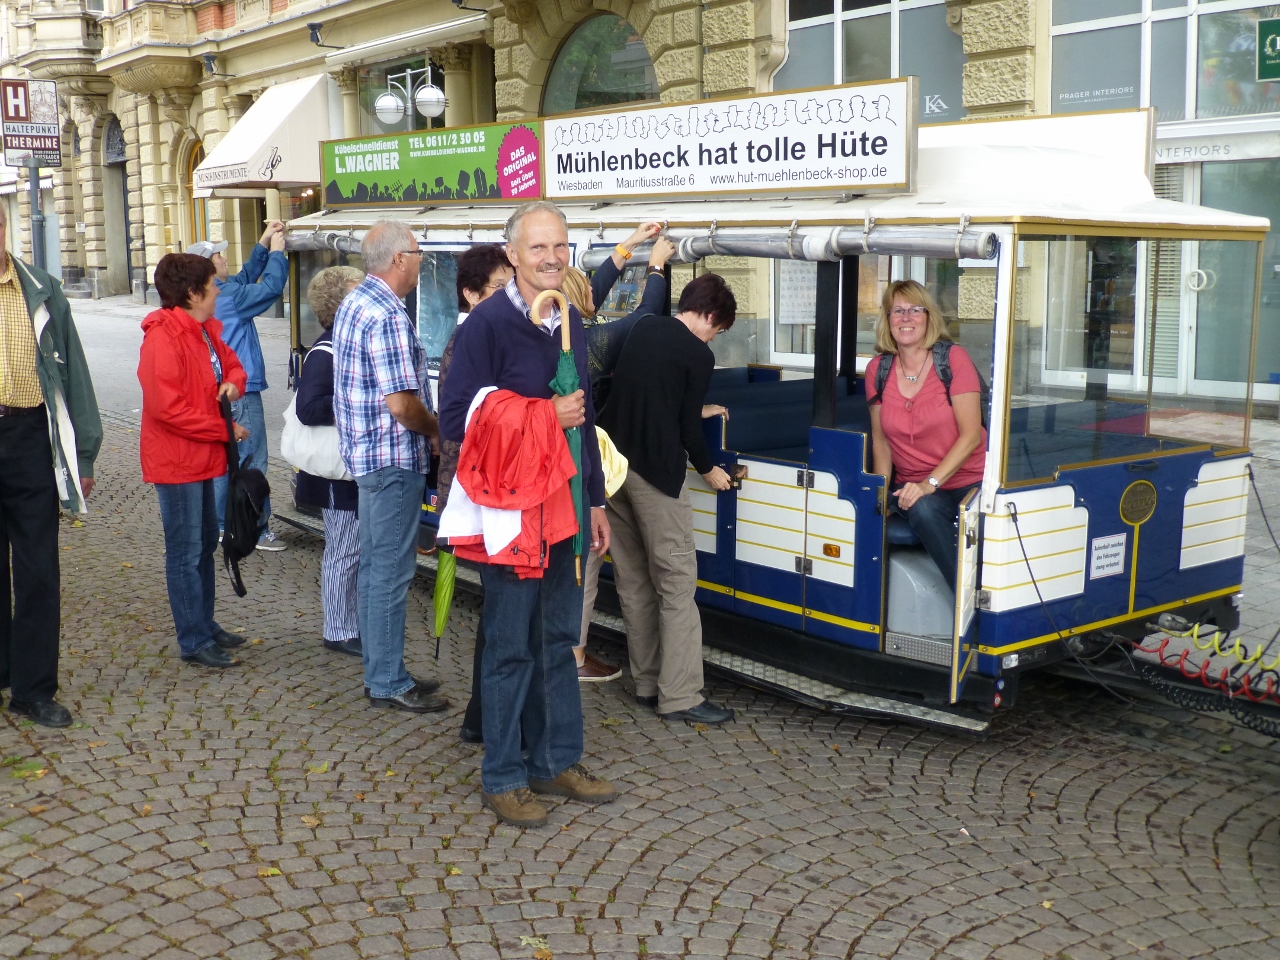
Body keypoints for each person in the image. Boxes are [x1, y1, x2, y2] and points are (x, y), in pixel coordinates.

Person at [441, 200, 617, 829]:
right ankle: (504, 775)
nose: (551, 259)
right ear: (511, 254)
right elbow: (456, 418)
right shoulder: (485, 326)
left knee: (557, 640)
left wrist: (594, 499)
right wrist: (543, 416)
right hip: (512, 512)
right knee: (510, 646)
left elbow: (585, 420)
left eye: (560, 247)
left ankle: (554, 760)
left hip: (565, 508)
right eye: (538, 248)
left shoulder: (568, 318)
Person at [597, 273, 738, 726]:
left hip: (614, 471)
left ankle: (646, 682)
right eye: (719, 328)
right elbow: (685, 430)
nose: (714, 336)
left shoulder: (644, 329)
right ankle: (680, 696)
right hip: (657, 476)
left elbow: (650, 396)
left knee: (634, 581)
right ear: (711, 317)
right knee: (677, 585)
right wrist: (709, 469)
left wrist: (701, 408)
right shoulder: (698, 354)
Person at [332, 220, 447, 714]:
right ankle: (385, 680)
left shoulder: (358, 301)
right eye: (419, 253)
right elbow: (402, 405)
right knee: (389, 572)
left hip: (370, 456)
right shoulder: (385, 313)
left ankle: (385, 669)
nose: (421, 262)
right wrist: (437, 429)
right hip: (392, 458)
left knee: (380, 568)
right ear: (399, 259)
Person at [0, 205, 102, 728]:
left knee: (39, 568)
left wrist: (83, 452)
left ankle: (33, 689)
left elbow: (75, 372)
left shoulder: (40, 289)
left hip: (29, 438)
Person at [138, 253, 251, 671]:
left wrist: (232, 388)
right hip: (178, 461)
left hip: (202, 457)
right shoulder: (163, 338)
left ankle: (203, 623)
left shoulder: (203, 332)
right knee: (186, 552)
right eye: (212, 283)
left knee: (204, 545)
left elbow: (234, 368)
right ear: (192, 292)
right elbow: (168, 409)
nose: (218, 289)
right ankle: (194, 637)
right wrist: (225, 431)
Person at [867, 279, 986, 590]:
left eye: (915, 310)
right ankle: (967, 595)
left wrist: (929, 483)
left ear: (929, 317)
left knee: (926, 502)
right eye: (898, 311)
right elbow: (881, 440)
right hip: (915, 489)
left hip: (969, 483)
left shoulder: (953, 359)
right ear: (887, 320)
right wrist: (880, 497)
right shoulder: (877, 369)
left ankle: (980, 607)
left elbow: (971, 435)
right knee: (920, 507)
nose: (906, 318)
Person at [195, 222, 290, 552]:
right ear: (209, 267)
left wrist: (263, 243)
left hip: (222, 389)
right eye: (219, 255)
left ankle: (223, 526)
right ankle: (255, 529)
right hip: (242, 390)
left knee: (226, 462)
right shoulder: (231, 297)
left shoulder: (217, 293)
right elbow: (270, 289)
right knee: (252, 461)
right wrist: (279, 253)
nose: (225, 257)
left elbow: (246, 276)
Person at [296, 266, 365, 658]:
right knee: (344, 548)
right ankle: (337, 628)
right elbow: (309, 408)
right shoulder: (326, 351)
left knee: (352, 547)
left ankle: (348, 622)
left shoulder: (344, 344)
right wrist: (358, 404)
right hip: (333, 473)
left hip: (345, 469)